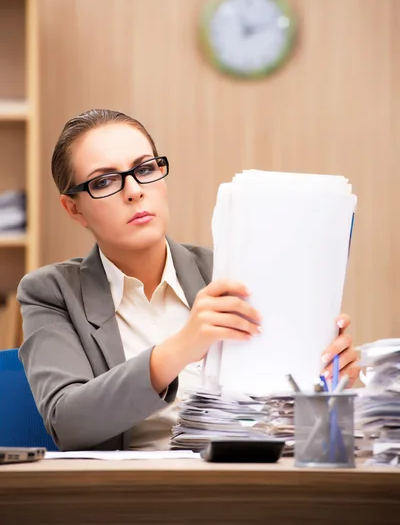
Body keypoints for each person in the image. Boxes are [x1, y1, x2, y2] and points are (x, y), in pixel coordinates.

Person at [17, 109, 360, 451]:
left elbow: (285, 420)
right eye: (104, 181)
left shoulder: (235, 271)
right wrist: (181, 348)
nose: (135, 190)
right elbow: (68, 422)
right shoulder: (51, 292)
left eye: (145, 168)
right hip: (134, 495)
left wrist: (336, 385)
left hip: (247, 482)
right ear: (74, 209)